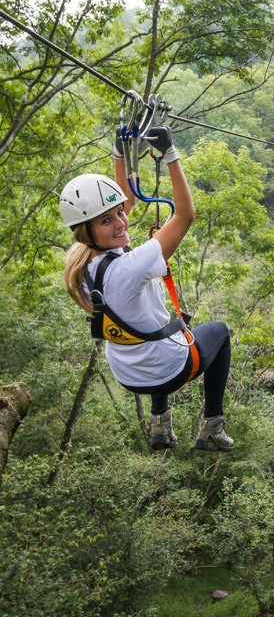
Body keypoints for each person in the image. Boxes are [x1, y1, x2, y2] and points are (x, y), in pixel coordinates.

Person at [60, 125, 234, 452]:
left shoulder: (81, 263)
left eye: (117, 213)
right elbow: (185, 215)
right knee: (220, 332)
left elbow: (123, 206)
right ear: (87, 230)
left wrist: (119, 155)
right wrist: (169, 153)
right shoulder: (128, 268)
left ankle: (160, 423)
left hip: (127, 372)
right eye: (107, 221)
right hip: (168, 370)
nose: (121, 221)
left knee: (154, 329)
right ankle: (212, 426)